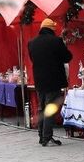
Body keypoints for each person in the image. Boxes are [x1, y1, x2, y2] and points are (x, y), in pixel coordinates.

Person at [28, 18, 72, 146]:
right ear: (52, 29)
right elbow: (67, 57)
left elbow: (33, 59)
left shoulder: (32, 43)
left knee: (42, 108)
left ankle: (41, 135)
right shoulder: (56, 41)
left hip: (39, 81)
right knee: (50, 108)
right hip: (54, 80)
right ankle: (47, 136)